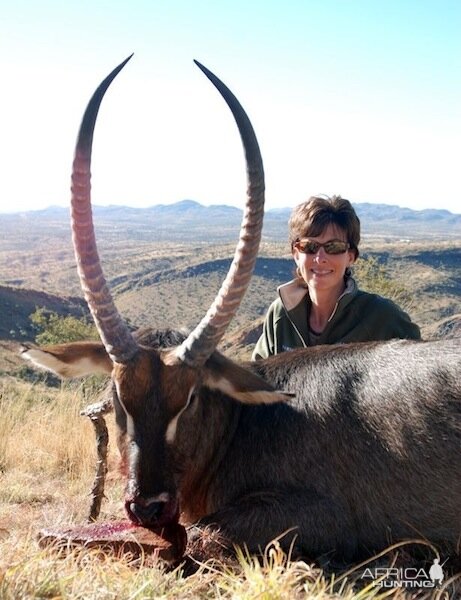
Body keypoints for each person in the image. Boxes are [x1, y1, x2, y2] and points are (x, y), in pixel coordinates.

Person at [252, 195, 420, 360]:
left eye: (334, 247)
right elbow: (257, 379)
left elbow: (423, 375)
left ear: (351, 257)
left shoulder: (382, 317)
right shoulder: (281, 314)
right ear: (296, 254)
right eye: (309, 246)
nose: (320, 258)